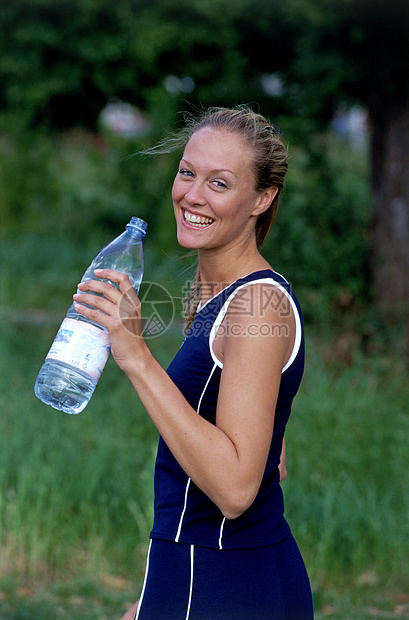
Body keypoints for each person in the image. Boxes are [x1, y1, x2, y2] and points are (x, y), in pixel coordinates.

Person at [73, 106, 314, 619]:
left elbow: (235, 490)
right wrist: (160, 590)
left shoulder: (259, 305)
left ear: (262, 198)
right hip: (200, 577)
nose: (192, 195)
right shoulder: (215, 298)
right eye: (187, 173)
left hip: (225, 582)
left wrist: (137, 356)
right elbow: (272, 454)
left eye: (220, 183)